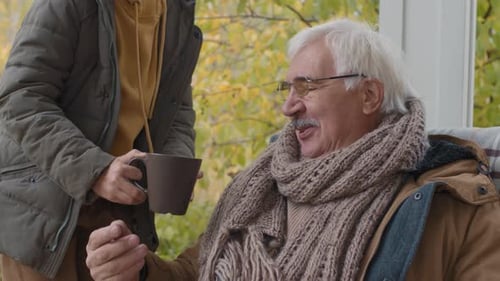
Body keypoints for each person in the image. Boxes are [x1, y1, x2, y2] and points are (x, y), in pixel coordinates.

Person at [86, 18, 500, 281]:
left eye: (307, 86)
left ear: (370, 96)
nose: (288, 106)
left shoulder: (453, 205)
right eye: (287, 89)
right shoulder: (264, 184)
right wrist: (136, 269)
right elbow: (195, 272)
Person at [0, 0, 202, 280]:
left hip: (118, 217)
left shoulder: (177, 12)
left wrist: (175, 160)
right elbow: (20, 98)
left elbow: (177, 106)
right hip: (42, 218)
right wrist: (95, 170)